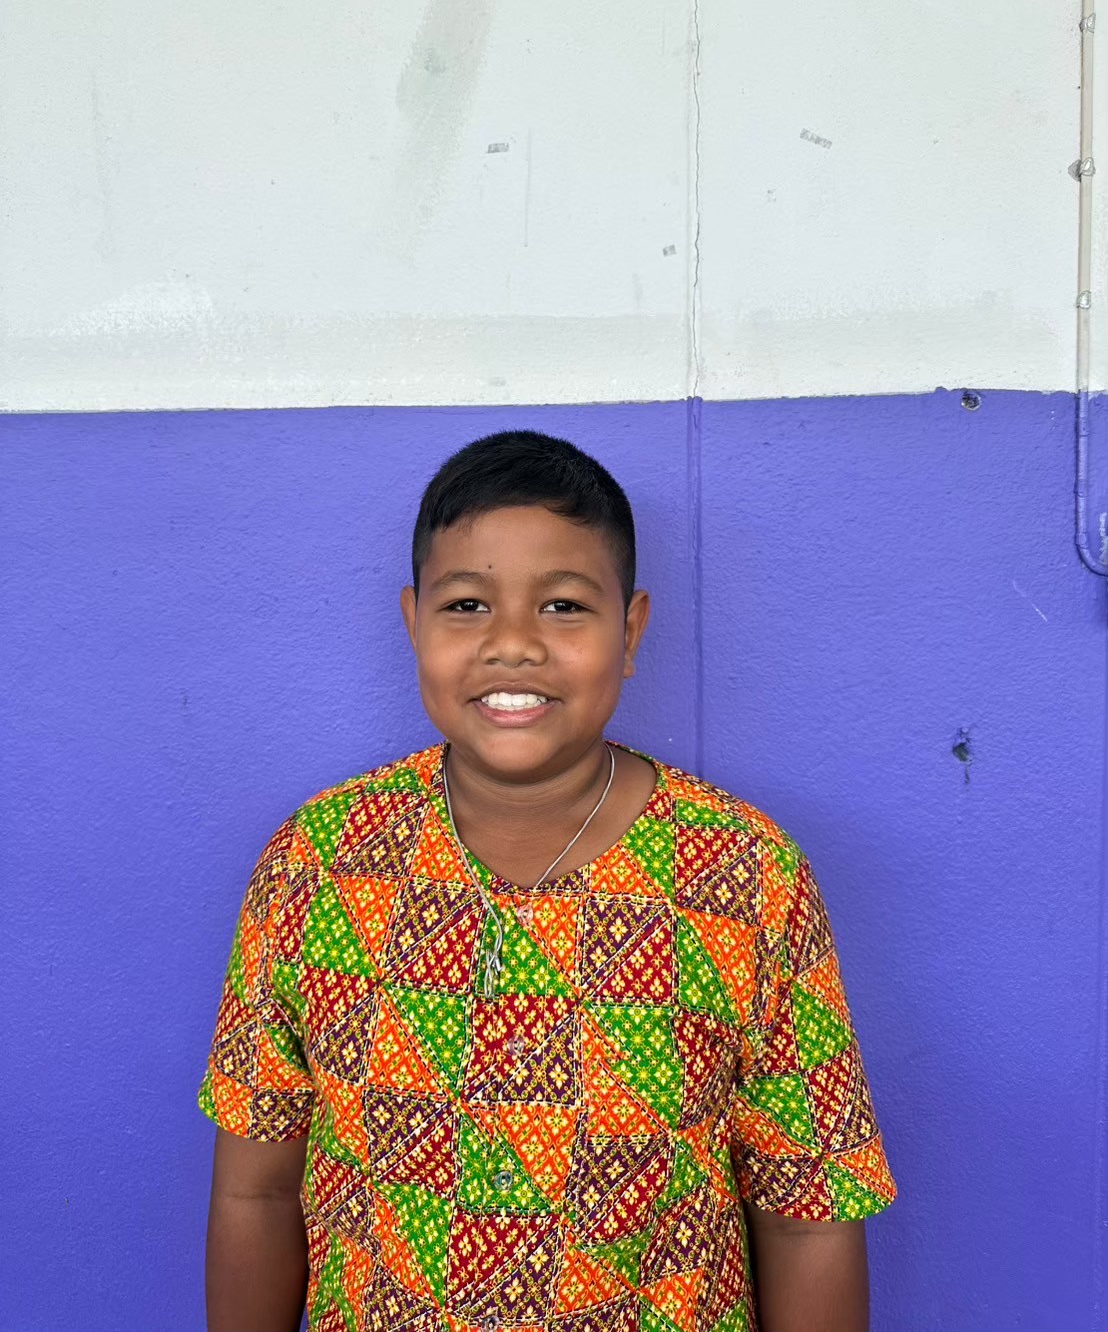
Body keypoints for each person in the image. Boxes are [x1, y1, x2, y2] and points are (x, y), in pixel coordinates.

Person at [199, 429, 897, 1332]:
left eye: (564, 605)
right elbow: (255, 1191)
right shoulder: (319, 861)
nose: (514, 645)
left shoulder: (744, 874)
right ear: (413, 623)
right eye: (467, 605)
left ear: (630, 631)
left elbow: (810, 1213)